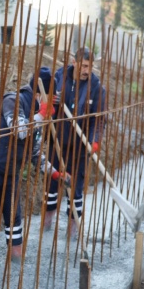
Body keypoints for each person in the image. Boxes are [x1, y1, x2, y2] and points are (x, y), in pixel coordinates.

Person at [0, 67, 71, 261]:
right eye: (50, 98)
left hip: (10, 172)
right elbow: (19, 130)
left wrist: (56, 174)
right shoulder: (12, 101)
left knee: (14, 215)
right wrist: (40, 116)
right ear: (40, 94)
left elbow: (35, 154)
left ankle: (16, 258)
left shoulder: (38, 113)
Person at [43, 47, 107, 238]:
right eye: (84, 65)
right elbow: (45, 100)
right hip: (57, 141)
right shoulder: (60, 77)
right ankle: (47, 224)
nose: (87, 70)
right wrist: (50, 101)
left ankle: (73, 229)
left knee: (76, 189)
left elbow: (99, 120)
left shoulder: (96, 87)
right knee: (52, 185)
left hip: (80, 147)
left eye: (90, 66)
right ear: (74, 62)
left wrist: (94, 142)